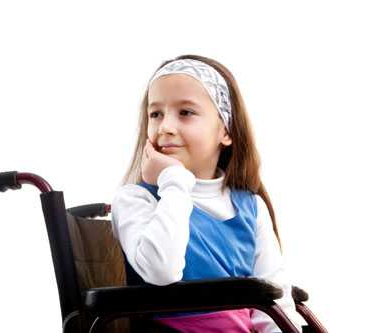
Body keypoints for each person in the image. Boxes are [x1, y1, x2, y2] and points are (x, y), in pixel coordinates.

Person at [110, 55, 304, 332]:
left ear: (226, 130)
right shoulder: (135, 200)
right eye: (156, 114)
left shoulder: (251, 207)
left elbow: (274, 302)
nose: (165, 127)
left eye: (185, 112)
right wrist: (174, 181)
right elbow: (160, 271)